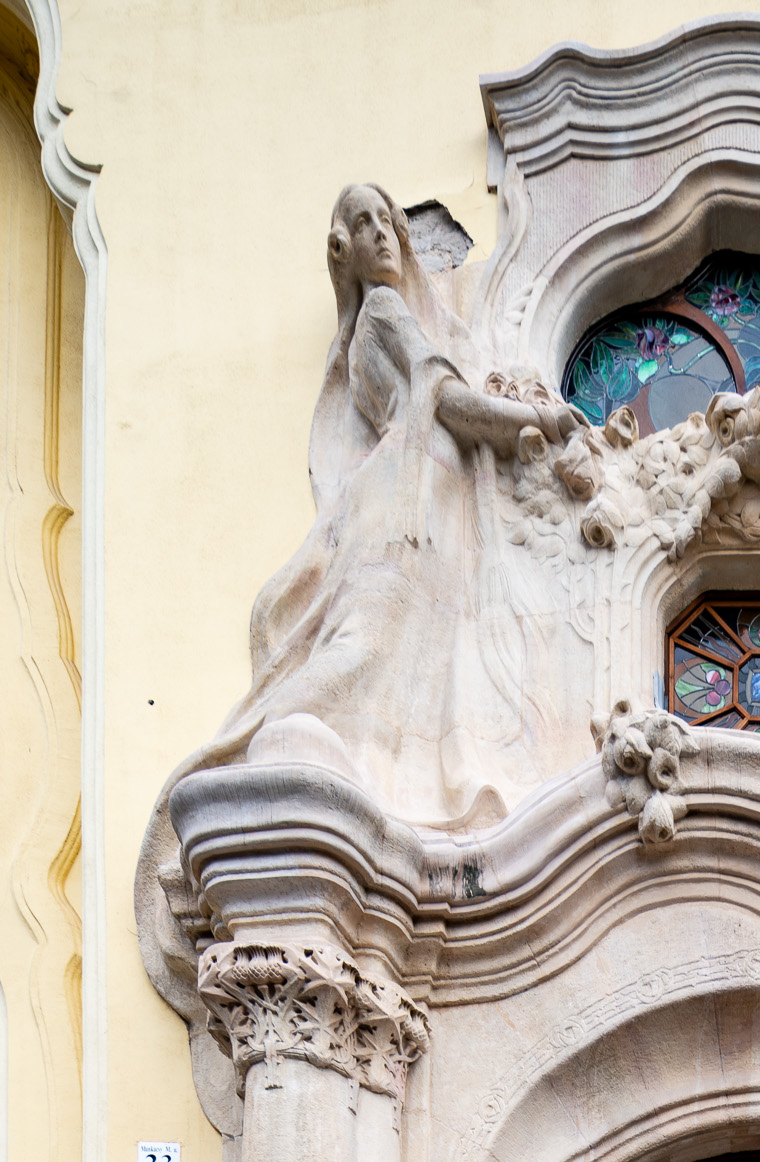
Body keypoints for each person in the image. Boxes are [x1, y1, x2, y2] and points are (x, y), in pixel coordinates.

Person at [216, 183, 580, 826]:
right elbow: (449, 403)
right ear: (343, 249)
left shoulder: (378, 317)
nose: (382, 233)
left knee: (398, 650)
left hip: (425, 495)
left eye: (388, 220)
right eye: (364, 223)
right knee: (367, 634)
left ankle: (361, 764)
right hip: (404, 494)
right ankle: (281, 732)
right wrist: (541, 420)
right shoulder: (385, 309)